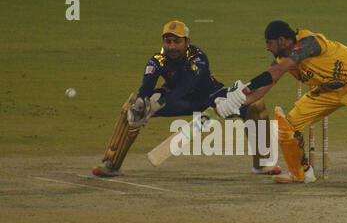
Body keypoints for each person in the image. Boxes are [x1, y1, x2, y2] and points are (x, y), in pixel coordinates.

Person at [215, 20, 347, 191]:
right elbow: (268, 84)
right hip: (327, 90)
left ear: (283, 40)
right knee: (287, 126)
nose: (267, 47)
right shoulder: (280, 57)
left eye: (270, 42)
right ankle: (301, 173)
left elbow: (280, 70)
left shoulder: (309, 42)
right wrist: (237, 103)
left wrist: (245, 88)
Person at [92, 20, 281, 177]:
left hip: (210, 97)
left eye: (176, 41)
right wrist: (143, 102)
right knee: (131, 109)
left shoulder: (198, 58)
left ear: (187, 41)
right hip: (179, 102)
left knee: (255, 105)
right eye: (168, 41)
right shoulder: (157, 60)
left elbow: (187, 86)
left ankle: (262, 164)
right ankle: (111, 163)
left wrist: (159, 103)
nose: (171, 46)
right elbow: (147, 85)